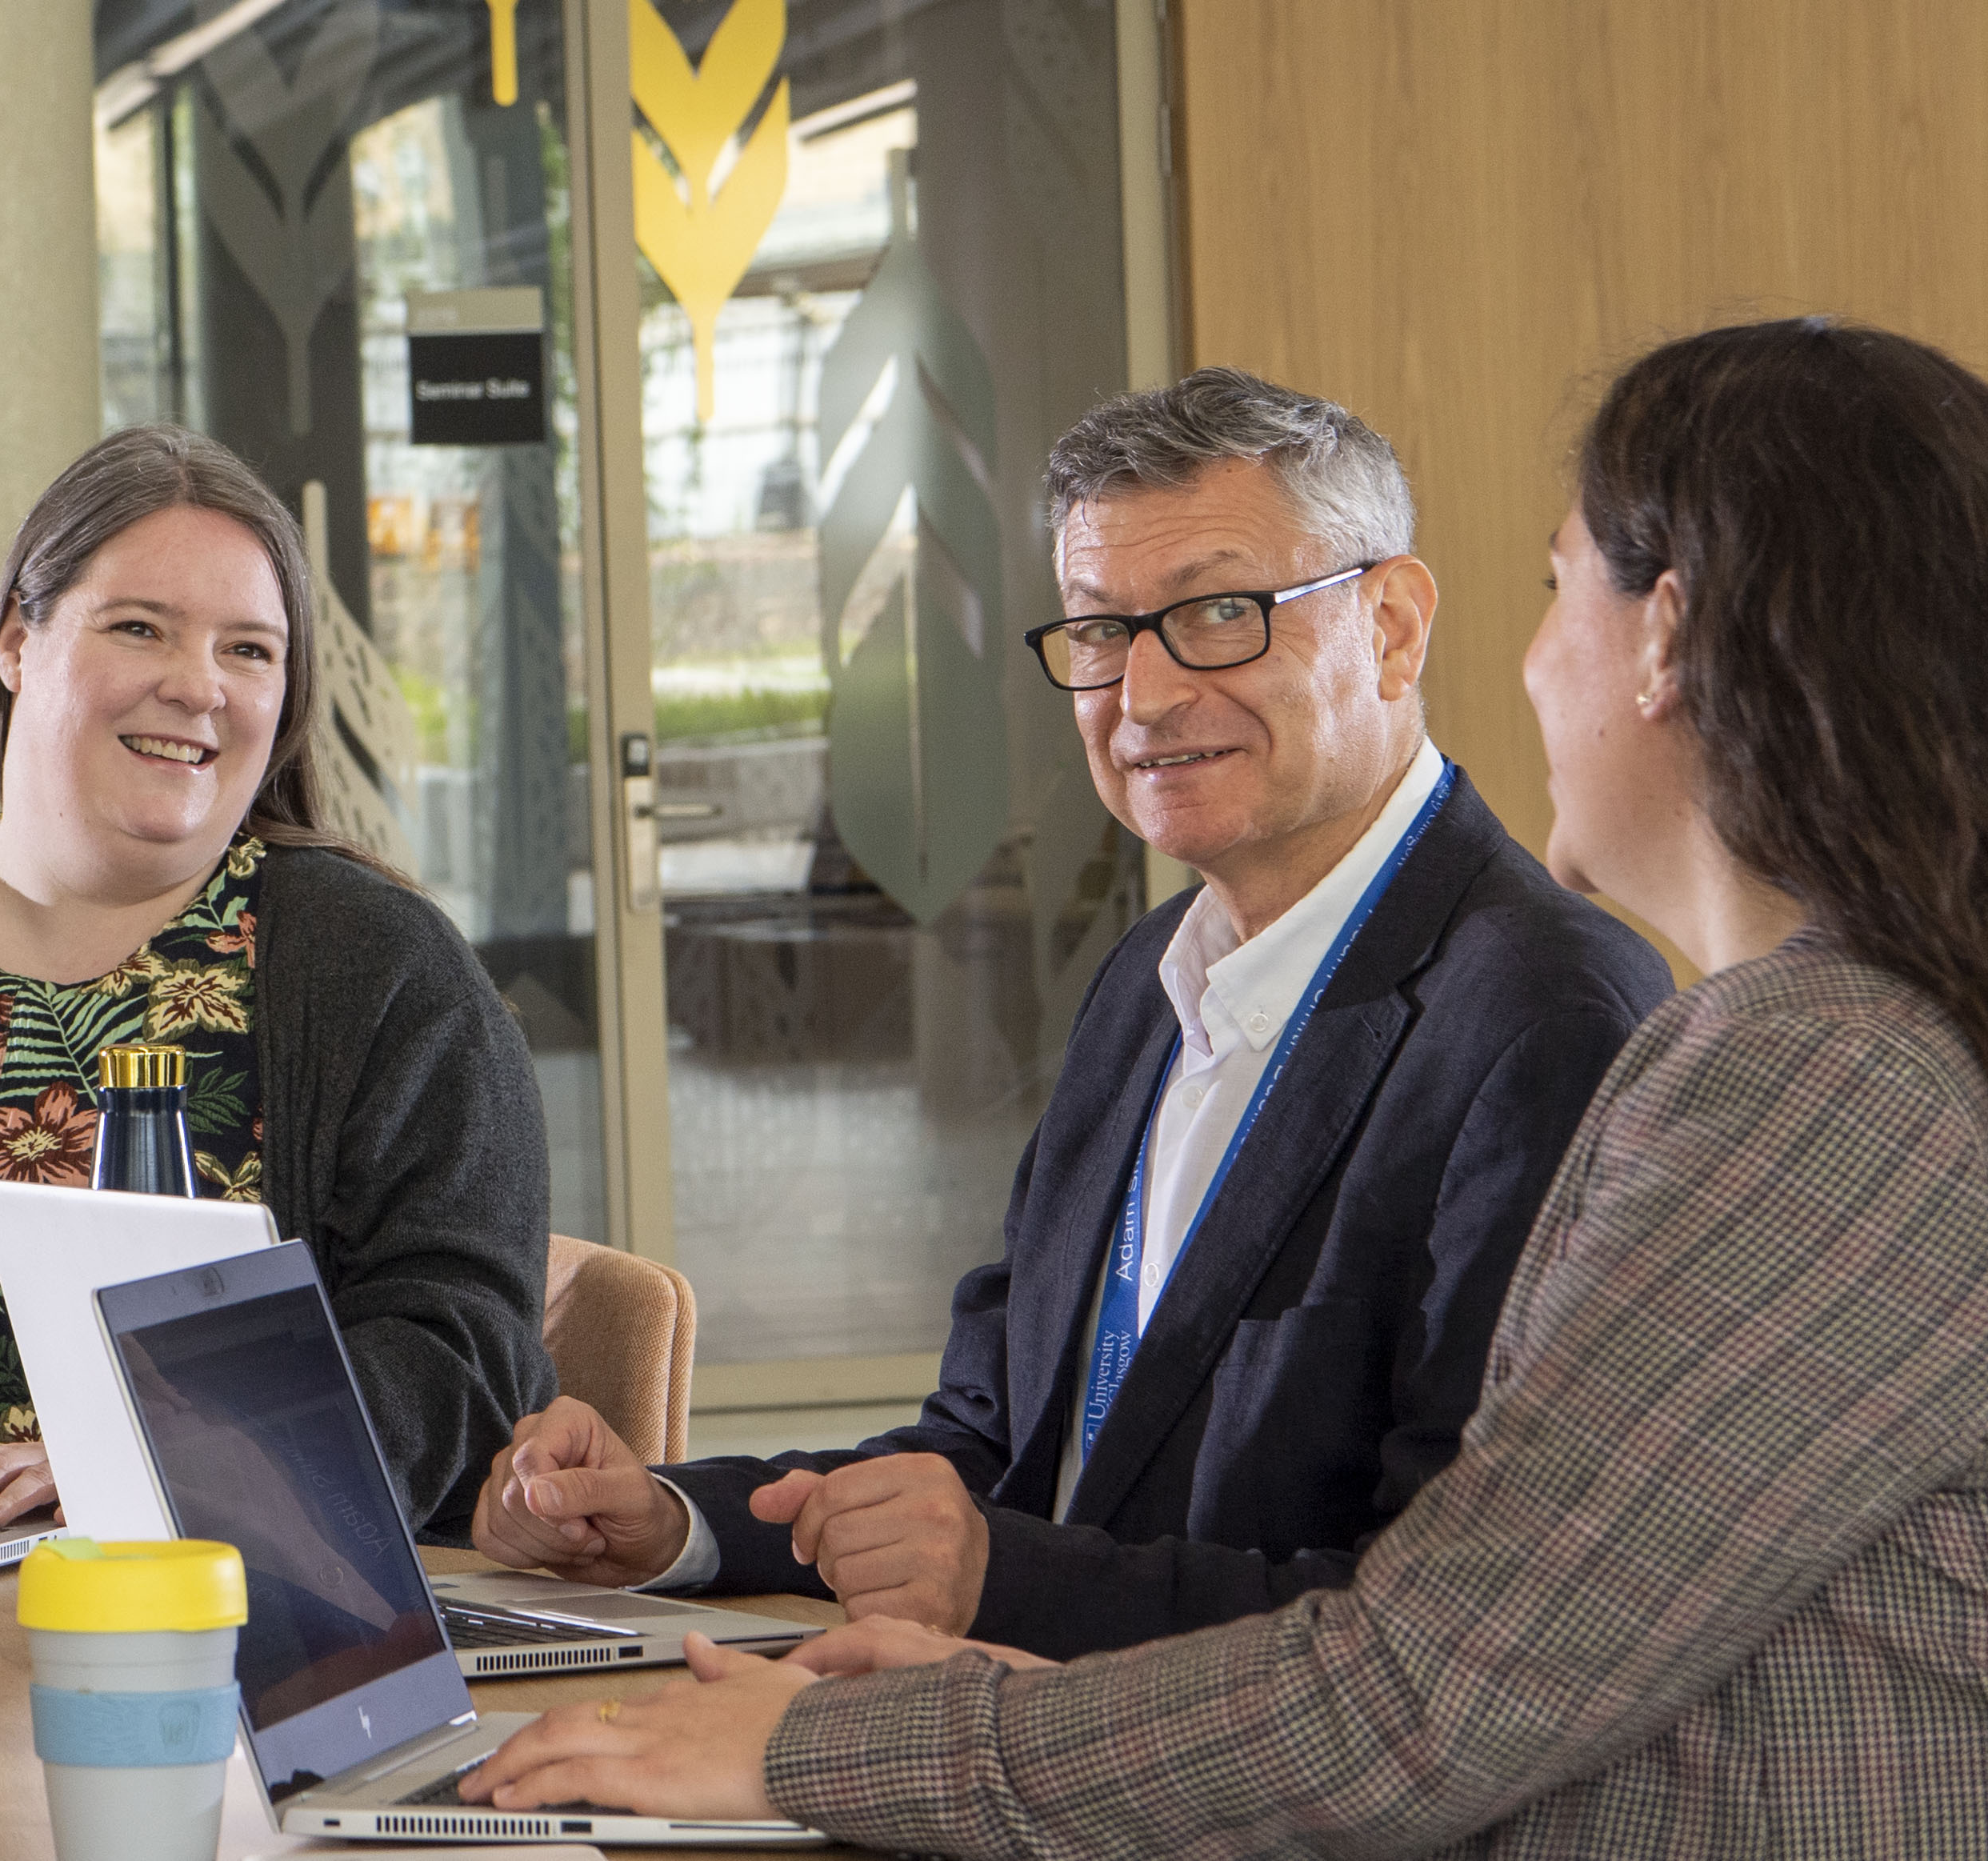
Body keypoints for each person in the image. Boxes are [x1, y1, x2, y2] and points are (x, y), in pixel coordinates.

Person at [470, 319, 1988, 1853]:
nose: (1534, 658)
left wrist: (846, 1744)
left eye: (1560, 586)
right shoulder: (1942, 1040)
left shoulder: (1832, 1084)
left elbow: (1418, 1697)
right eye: (1101, 636)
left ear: (1669, 637)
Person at [474, 370, 1670, 1656]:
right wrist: (671, 1522)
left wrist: (1001, 1580)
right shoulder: (1151, 979)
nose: (1144, 697)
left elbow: (1455, 1621)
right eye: (1101, 630)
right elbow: (992, 1442)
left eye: (1219, 612)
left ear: (1390, 624)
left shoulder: (1549, 1017)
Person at [0, 426, 555, 1542]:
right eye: (139, 628)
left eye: (250, 651)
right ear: (17, 641)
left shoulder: (385, 972)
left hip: (206, 1600)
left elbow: (460, 1352)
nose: (198, 686)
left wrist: (143, 1461)